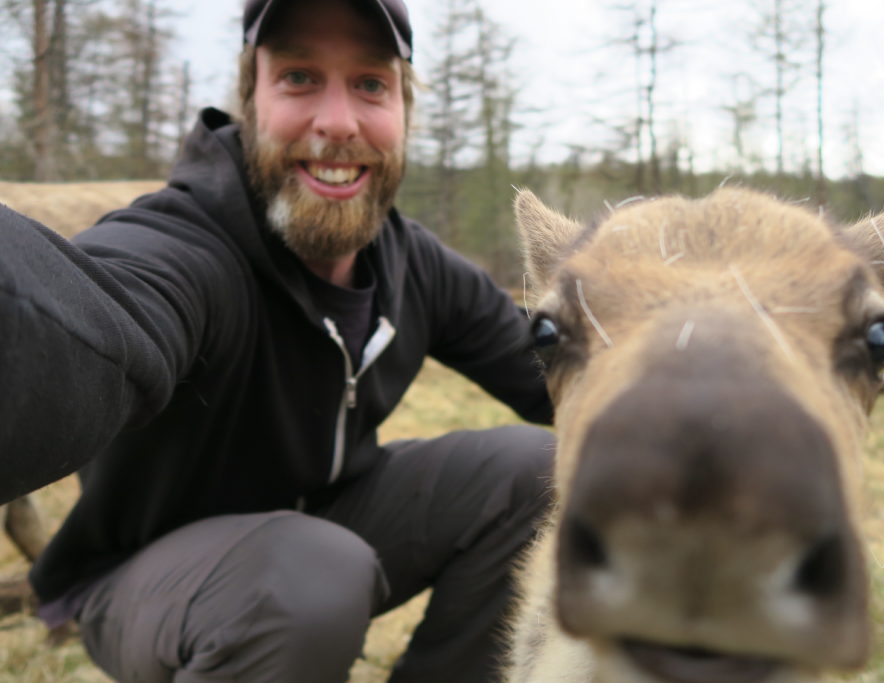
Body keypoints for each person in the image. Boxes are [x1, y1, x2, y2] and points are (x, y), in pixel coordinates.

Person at [0, 0, 555, 680]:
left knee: (541, 470)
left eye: (371, 84)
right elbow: (92, 317)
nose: (338, 121)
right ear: (249, 101)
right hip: (146, 575)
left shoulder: (417, 266)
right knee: (307, 579)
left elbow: (560, 375)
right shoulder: (190, 243)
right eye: (298, 77)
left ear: (404, 112)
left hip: (323, 525)